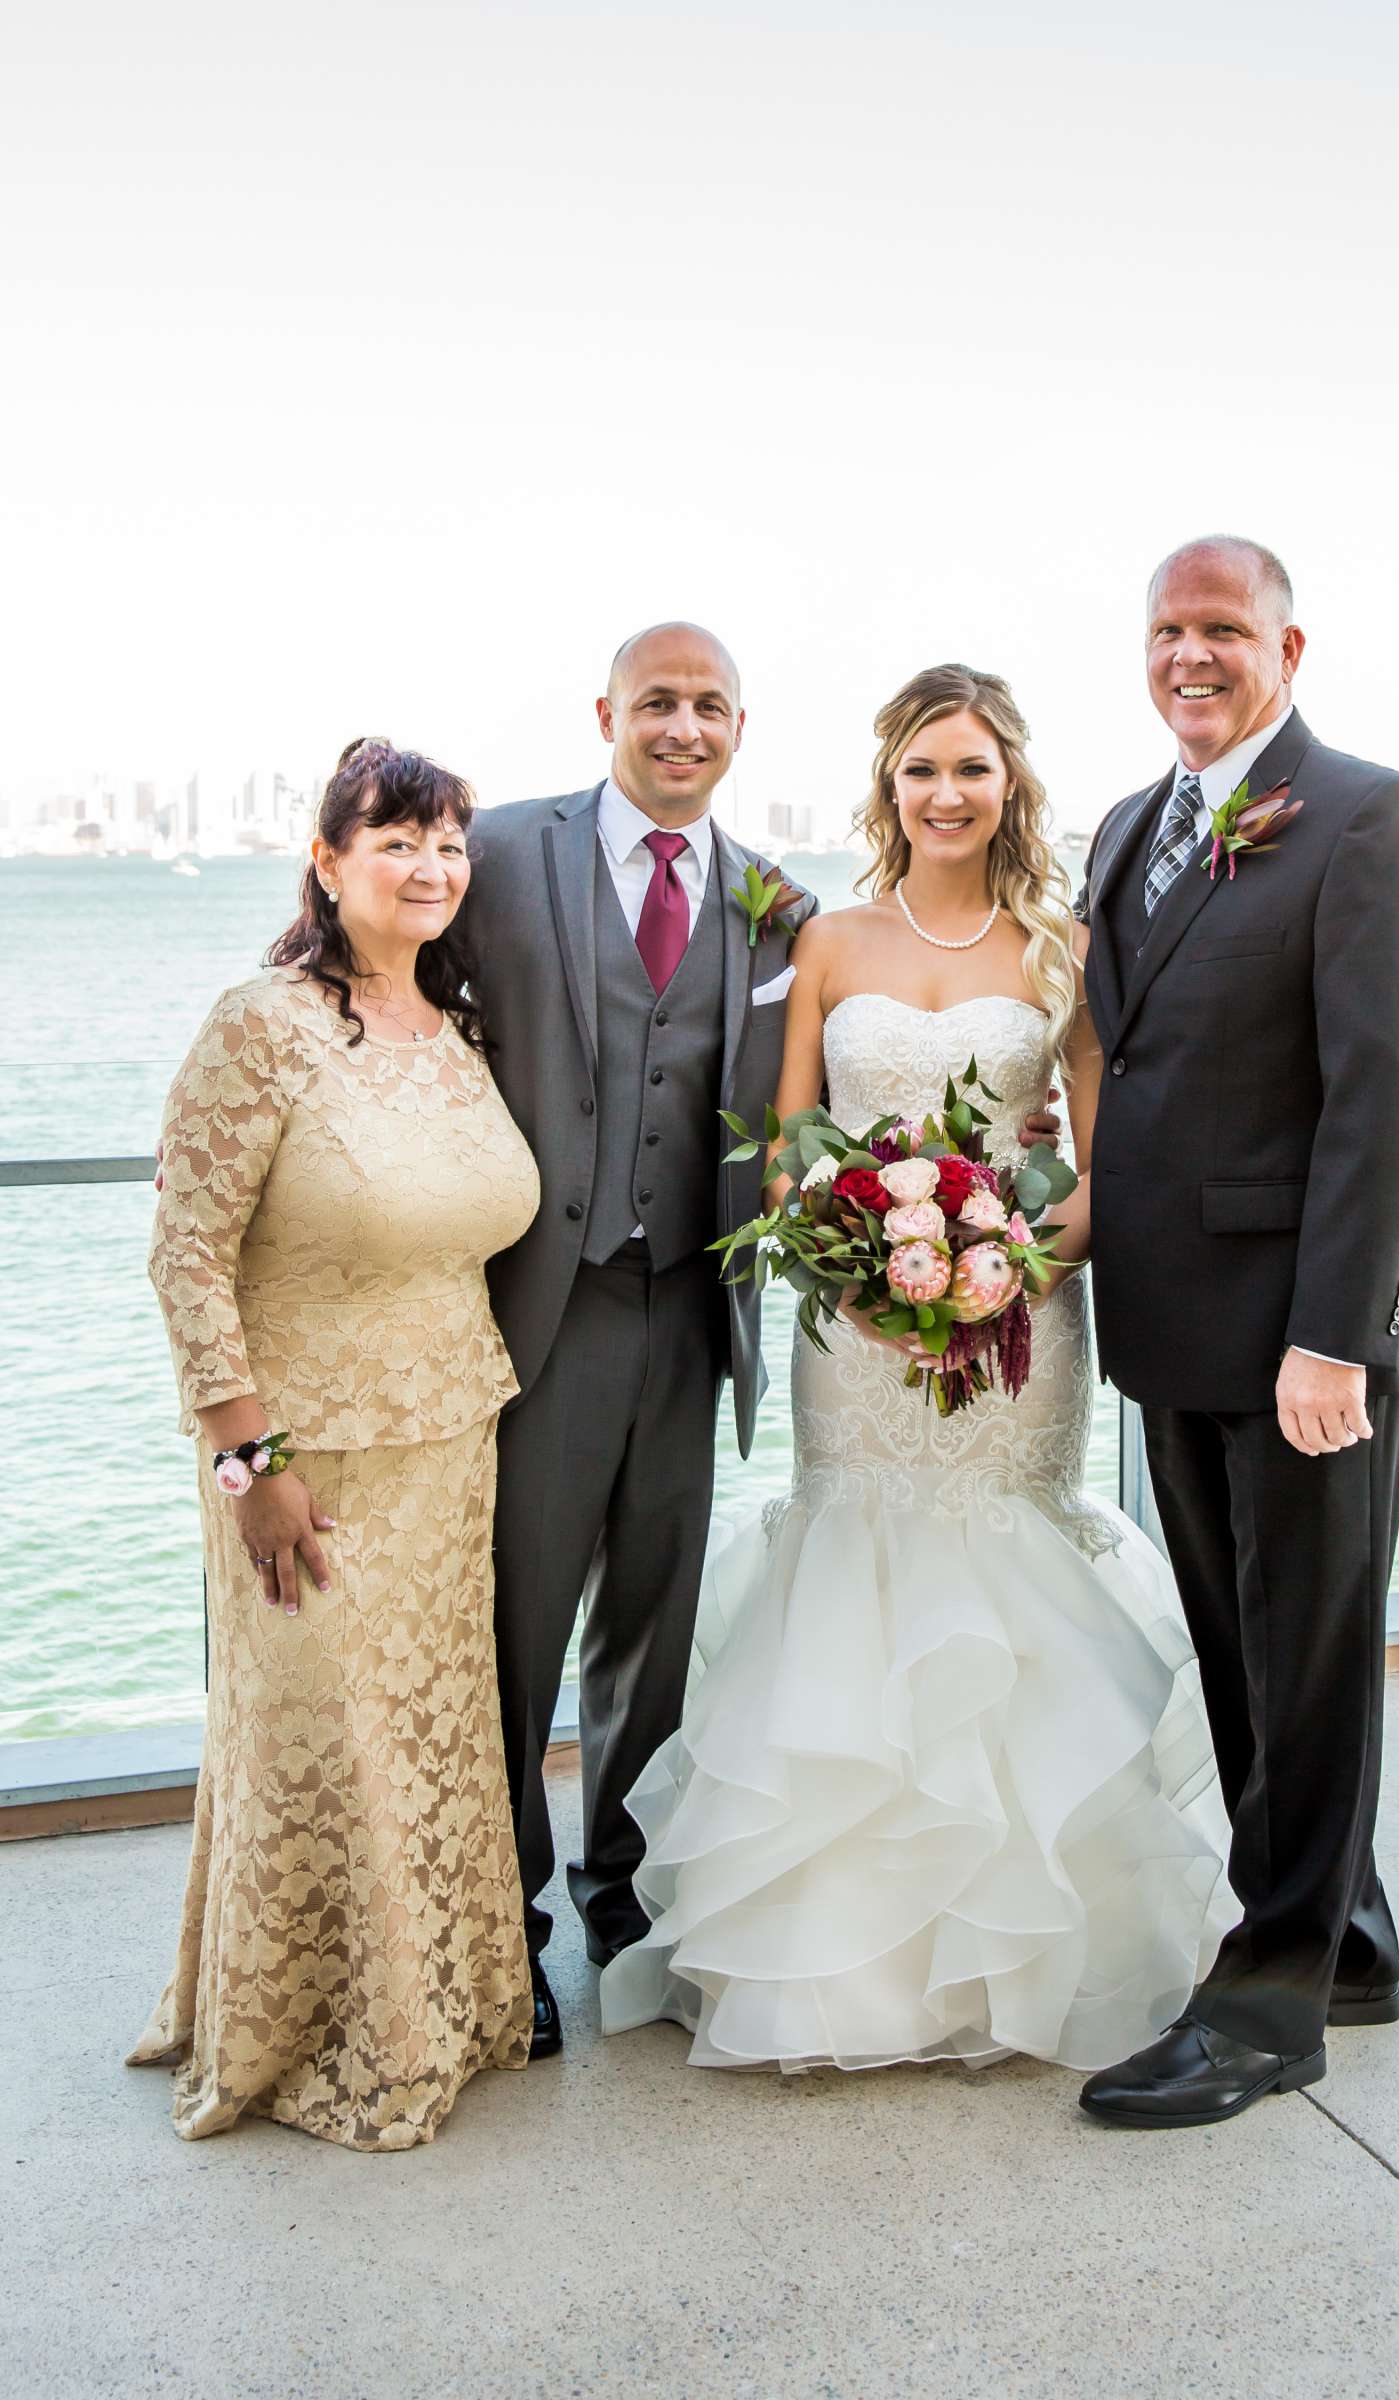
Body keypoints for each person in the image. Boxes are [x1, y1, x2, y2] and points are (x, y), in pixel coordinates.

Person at [599, 663, 1234, 2072]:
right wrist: (853, 1268)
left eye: (972, 770)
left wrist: (1013, 1264)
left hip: (1017, 1331)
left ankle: (1035, 1951)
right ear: (887, 785)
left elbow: (1094, 1154)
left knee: (1007, 1580)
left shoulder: (1059, 943)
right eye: (922, 770)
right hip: (858, 1346)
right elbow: (777, 1147)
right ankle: (845, 1964)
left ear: (1011, 787)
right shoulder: (827, 941)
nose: (946, 794)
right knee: (861, 1572)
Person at [1075, 537, 1399, 2130]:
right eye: (1166, 629)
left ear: (1287, 648)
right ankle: (1346, 1943)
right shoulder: (1124, 826)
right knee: (1243, 1657)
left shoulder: (1376, 817)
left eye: (1221, 628)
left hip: (1309, 1332)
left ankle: (1266, 2010)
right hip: (1170, 1318)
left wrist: (1334, 1338)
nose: (1190, 655)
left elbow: (1388, 1095)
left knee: (1308, 1665)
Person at [128, 738, 540, 2150]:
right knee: (322, 1744)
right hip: (304, 1456)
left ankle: (443, 2010)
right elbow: (185, 1255)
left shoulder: (462, 1030)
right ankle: (304, 2031)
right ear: (328, 861)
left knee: (428, 1746)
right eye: (395, 843)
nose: (428, 870)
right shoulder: (264, 1024)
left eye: (447, 846)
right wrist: (247, 1459)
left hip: (451, 1441)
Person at [461, 624, 817, 2055]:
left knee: (653, 1627)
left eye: (710, 706)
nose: (683, 726)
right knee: (516, 1628)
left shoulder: (773, 900)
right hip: (541, 1306)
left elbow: (826, 1074)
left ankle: (627, 1892)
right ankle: (504, 1930)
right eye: (657, 702)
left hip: (694, 1304)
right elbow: (345, 968)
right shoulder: (493, 852)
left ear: (742, 727)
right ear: (604, 712)